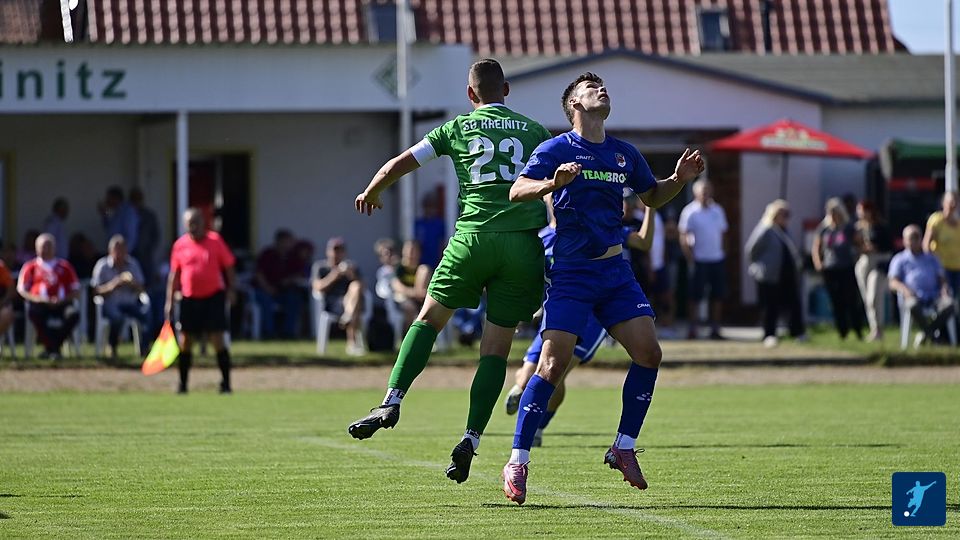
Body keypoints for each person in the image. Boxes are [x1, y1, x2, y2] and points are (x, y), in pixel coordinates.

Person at [501, 71, 704, 505]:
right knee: (551, 367)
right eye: (591, 88)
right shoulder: (555, 149)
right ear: (574, 104)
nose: (602, 90)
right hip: (572, 274)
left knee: (649, 353)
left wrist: (679, 180)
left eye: (604, 87)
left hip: (615, 274)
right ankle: (517, 460)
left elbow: (652, 197)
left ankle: (623, 447)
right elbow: (517, 190)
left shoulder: (624, 153)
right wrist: (552, 184)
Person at [347, 58, 551, 485]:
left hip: (472, 240)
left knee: (427, 320)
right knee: (495, 351)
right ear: (506, 90)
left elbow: (399, 163)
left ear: (470, 94)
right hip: (521, 246)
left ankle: (392, 399)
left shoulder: (457, 128)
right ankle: (471, 438)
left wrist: (372, 190)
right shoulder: (535, 132)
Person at [504, 197, 656, 448]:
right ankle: (523, 396)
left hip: (593, 318)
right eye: (552, 193)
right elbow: (530, 279)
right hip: (559, 313)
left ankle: (538, 426)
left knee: (557, 372)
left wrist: (651, 206)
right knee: (534, 373)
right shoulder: (541, 239)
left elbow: (643, 241)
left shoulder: (594, 228)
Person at [164, 208, 237, 394]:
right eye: (190, 223)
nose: (194, 226)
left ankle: (226, 384)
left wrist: (231, 289)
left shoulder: (215, 241)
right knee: (185, 341)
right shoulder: (180, 245)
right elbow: (174, 275)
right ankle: (183, 384)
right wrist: (169, 301)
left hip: (213, 297)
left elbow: (229, 266)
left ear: (204, 223)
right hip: (189, 298)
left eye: (196, 222)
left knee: (217, 339)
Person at [745, 200, 806, 347]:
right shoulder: (765, 229)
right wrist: (759, 267)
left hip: (786, 274)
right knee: (770, 306)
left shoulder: (784, 230)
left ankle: (797, 332)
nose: (786, 218)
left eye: (787, 214)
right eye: (783, 214)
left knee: (793, 303)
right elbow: (751, 250)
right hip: (769, 275)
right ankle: (769, 334)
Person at [889, 225, 957, 345]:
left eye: (916, 237)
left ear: (921, 239)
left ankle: (925, 334)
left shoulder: (932, 258)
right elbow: (893, 282)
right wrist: (905, 290)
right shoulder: (899, 259)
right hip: (913, 297)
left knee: (950, 305)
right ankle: (933, 337)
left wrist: (944, 288)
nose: (914, 241)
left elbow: (942, 278)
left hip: (935, 296)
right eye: (911, 238)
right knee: (913, 305)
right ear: (904, 240)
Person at [16, 233, 81, 358]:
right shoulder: (30, 267)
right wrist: (39, 299)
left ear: (54, 248)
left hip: (62, 303)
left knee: (73, 314)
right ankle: (54, 348)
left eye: (48, 246)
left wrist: (62, 300)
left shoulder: (65, 266)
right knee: (34, 313)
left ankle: (52, 347)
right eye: (43, 247)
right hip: (40, 304)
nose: (46, 249)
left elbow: (76, 290)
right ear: (37, 249)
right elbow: (22, 290)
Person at [678, 179, 727, 340]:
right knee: (695, 296)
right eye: (702, 192)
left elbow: (723, 233)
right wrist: (690, 257)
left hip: (717, 259)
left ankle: (715, 329)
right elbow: (683, 235)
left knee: (717, 295)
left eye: (707, 191)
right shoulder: (689, 212)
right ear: (696, 193)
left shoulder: (718, 210)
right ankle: (693, 328)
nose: (705, 195)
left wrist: (723, 252)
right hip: (699, 260)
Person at [812, 197, 865, 340]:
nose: (833, 215)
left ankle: (857, 329)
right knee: (836, 301)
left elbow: (859, 243)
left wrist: (859, 257)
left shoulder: (848, 227)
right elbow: (817, 246)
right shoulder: (824, 228)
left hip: (846, 267)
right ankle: (842, 331)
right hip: (830, 268)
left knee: (851, 299)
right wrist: (818, 262)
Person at [91, 235, 149, 358]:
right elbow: (96, 291)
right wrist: (114, 284)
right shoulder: (102, 265)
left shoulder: (133, 264)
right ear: (110, 251)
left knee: (146, 314)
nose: (120, 253)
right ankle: (112, 346)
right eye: (117, 250)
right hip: (110, 305)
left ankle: (144, 348)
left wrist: (132, 284)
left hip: (130, 304)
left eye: (122, 250)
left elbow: (142, 289)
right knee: (117, 317)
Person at [311, 237, 365, 355]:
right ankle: (352, 343)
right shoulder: (321, 267)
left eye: (340, 250)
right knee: (354, 307)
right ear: (328, 251)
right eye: (334, 250)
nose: (336, 253)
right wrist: (335, 275)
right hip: (333, 304)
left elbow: (363, 287)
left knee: (355, 286)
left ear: (344, 252)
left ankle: (348, 316)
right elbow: (317, 287)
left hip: (352, 301)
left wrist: (352, 275)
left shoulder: (351, 266)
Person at [254, 229, 307, 339]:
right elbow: (259, 274)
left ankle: (288, 333)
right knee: (265, 300)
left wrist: (289, 280)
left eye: (290, 242)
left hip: (284, 291)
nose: (289, 244)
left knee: (294, 299)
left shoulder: (293, 256)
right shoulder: (267, 254)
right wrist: (268, 288)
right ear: (278, 242)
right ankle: (269, 333)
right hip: (264, 290)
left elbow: (300, 274)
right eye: (286, 241)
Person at [854, 200, 893, 341]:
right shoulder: (858, 228)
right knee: (867, 299)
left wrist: (869, 247)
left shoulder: (880, 227)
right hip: (864, 262)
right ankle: (874, 329)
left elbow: (886, 246)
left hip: (879, 263)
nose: (861, 214)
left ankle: (879, 329)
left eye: (864, 210)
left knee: (874, 297)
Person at [923, 191, 960, 302]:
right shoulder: (936, 220)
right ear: (943, 203)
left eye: (956, 201)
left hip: (957, 268)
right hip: (942, 269)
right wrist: (931, 264)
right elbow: (926, 244)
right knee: (945, 298)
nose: (953, 204)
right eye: (951, 201)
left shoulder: (958, 223)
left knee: (955, 300)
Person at [392, 240, 432, 330]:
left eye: (413, 250)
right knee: (409, 307)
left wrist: (419, 294)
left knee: (424, 269)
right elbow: (397, 287)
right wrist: (415, 293)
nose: (410, 253)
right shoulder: (399, 268)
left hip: (420, 300)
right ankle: (407, 334)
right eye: (408, 250)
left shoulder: (421, 268)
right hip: (403, 299)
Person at [129, 187, 161, 289]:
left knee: (148, 281)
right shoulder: (126, 215)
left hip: (146, 255)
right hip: (130, 255)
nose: (137, 202)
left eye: (138, 199)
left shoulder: (149, 215)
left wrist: (149, 248)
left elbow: (156, 235)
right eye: (134, 199)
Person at [98, 185, 139, 253]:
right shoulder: (116, 212)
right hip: (115, 253)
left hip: (124, 254)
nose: (106, 201)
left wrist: (124, 254)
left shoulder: (128, 212)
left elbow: (131, 237)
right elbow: (109, 228)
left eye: (108, 198)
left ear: (116, 198)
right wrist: (104, 215)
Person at [0, 259, 16, 352]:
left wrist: (3, 302)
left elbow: (11, 289)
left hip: (2, 305)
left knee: (6, 314)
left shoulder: (0, 267)